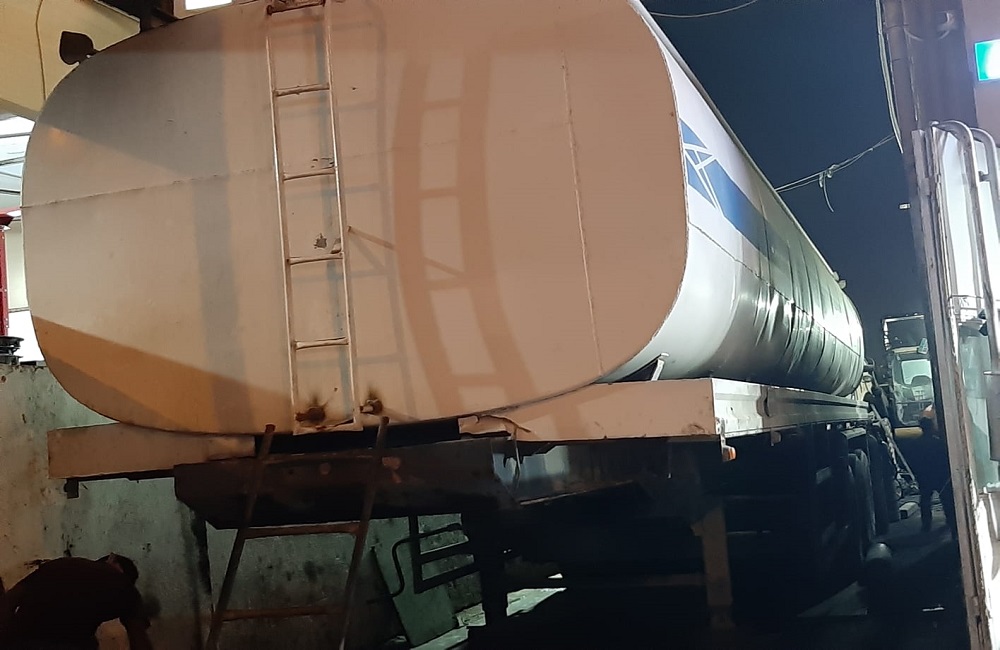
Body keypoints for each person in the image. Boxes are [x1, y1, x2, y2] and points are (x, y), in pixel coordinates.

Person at [0, 554, 152, 650]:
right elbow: (139, 638)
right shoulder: (124, 587)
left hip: (22, 640)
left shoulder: (59, 565)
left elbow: (10, 600)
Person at [909, 406, 957, 537]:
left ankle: (926, 525)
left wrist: (917, 474)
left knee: (925, 500)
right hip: (940, 476)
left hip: (924, 476)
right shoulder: (939, 442)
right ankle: (951, 523)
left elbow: (913, 461)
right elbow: (945, 458)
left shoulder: (915, 444)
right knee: (946, 501)